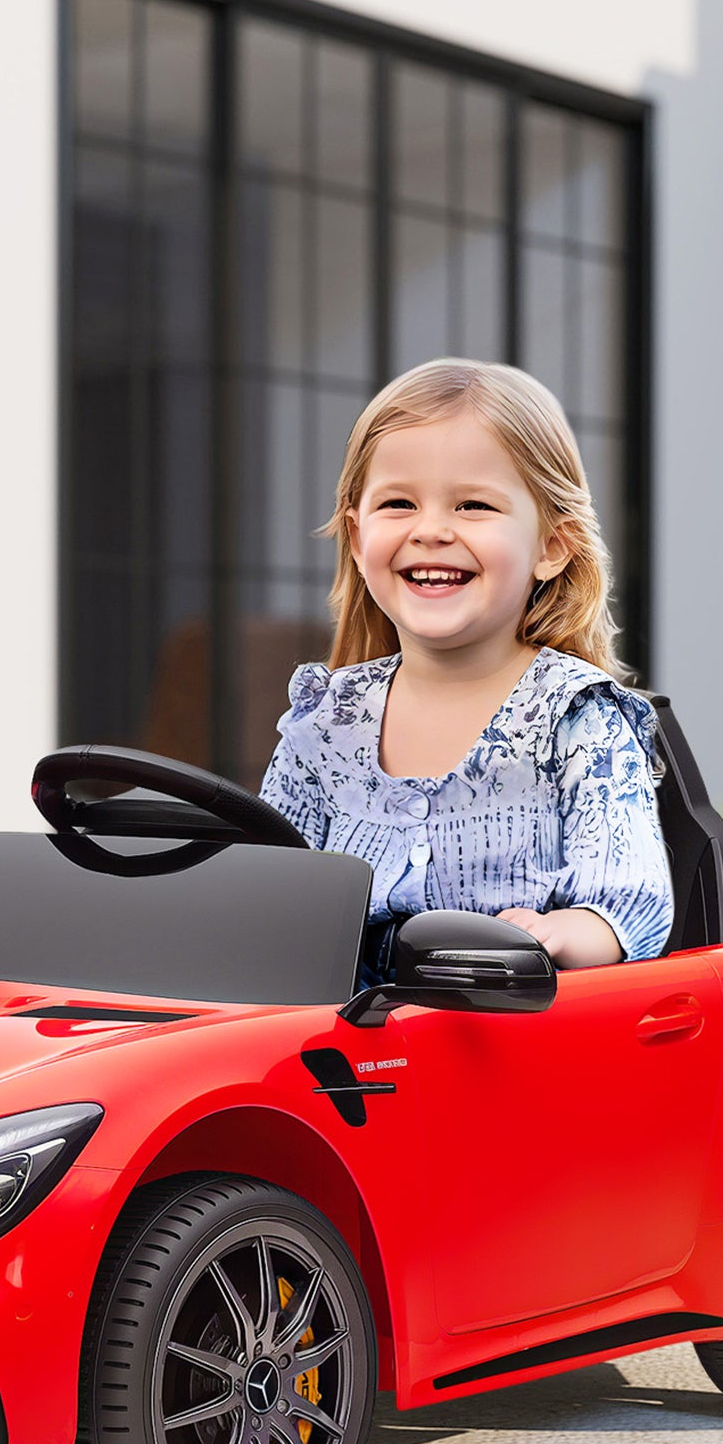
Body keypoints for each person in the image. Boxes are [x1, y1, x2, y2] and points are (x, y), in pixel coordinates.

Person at [258, 357, 672, 986]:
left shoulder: (576, 716)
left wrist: (565, 933)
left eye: (473, 505)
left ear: (551, 546)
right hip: (342, 1056)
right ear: (356, 533)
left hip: (516, 1043)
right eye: (398, 503)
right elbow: (264, 887)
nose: (430, 531)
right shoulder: (327, 720)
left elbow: (629, 892)